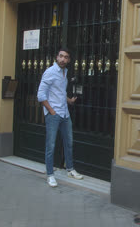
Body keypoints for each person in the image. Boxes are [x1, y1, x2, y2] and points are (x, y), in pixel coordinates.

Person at [37, 47, 83, 187]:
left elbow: (59, 92)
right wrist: (51, 111)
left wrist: (69, 100)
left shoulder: (65, 72)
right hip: (54, 114)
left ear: (68, 60)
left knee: (69, 143)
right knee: (50, 145)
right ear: (56, 57)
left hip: (64, 113)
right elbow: (40, 95)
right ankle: (50, 174)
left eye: (66, 57)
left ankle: (70, 169)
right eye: (61, 56)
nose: (63, 59)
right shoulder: (50, 72)